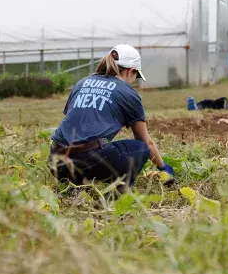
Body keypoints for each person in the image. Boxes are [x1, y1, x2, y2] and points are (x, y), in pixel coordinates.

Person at [47, 44, 176, 192]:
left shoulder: (82, 83)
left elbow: (75, 119)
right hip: (86, 162)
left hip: (56, 163)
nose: (134, 80)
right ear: (130, 71)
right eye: (136, 76)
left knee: (94, 147)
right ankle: (118, 194)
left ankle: (77, 186)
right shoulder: (127, 92)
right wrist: (163, 167)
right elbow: (146, 141)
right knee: (141, 149)